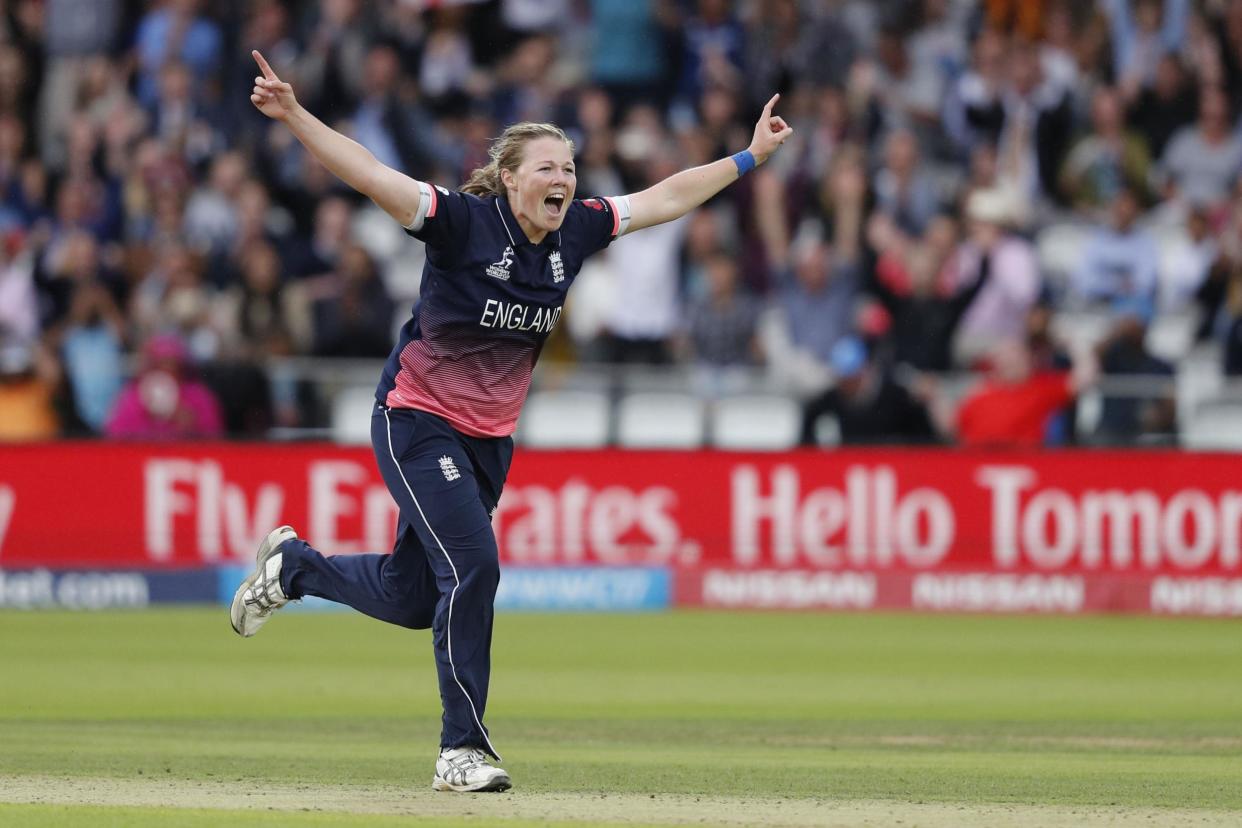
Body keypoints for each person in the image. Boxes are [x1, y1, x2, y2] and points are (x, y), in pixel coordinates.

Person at [229, 50, 791, 793]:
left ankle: (295, 568)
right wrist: (296, 115)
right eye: (547, 167)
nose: (563, 179)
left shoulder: (577, 233)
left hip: (490, 442)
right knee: (477, 566)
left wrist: (749, 157)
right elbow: (367, 172)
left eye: (570, 167)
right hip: (415, 419)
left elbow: (663, 198)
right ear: (510, 177)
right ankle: (461, 749)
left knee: (414, 595)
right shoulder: (460, 222)